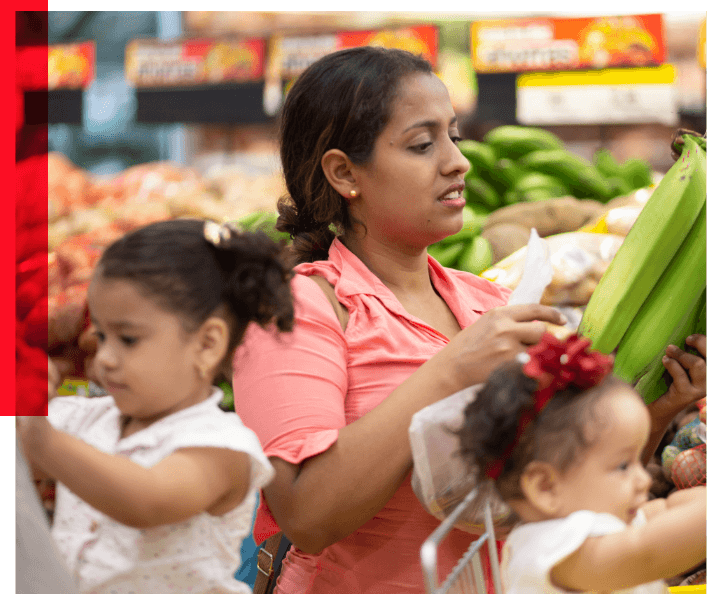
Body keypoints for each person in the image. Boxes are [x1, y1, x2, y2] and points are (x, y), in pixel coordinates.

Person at [231, 45, 571, 594]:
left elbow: (556, 482)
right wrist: (450, 369)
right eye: (421, 144)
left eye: (453, 136)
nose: (458, 161)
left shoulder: (488, 302)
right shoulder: (298, 311)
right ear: (344, 173)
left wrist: (662, 405)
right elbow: (306, 516)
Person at [16, 219, 294, 594]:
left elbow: (147, 500)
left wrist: (44, 441)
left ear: (207, 344)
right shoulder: (87, 418)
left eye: (128, 339)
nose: (105, 357)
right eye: (101, 335)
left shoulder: (221, 445)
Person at [456, 331, 707, 593]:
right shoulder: (556, 551)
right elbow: (651, 552)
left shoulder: (605, 522)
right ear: (546, 488)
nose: (643, 478)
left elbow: (670, 510)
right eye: (623, 466)